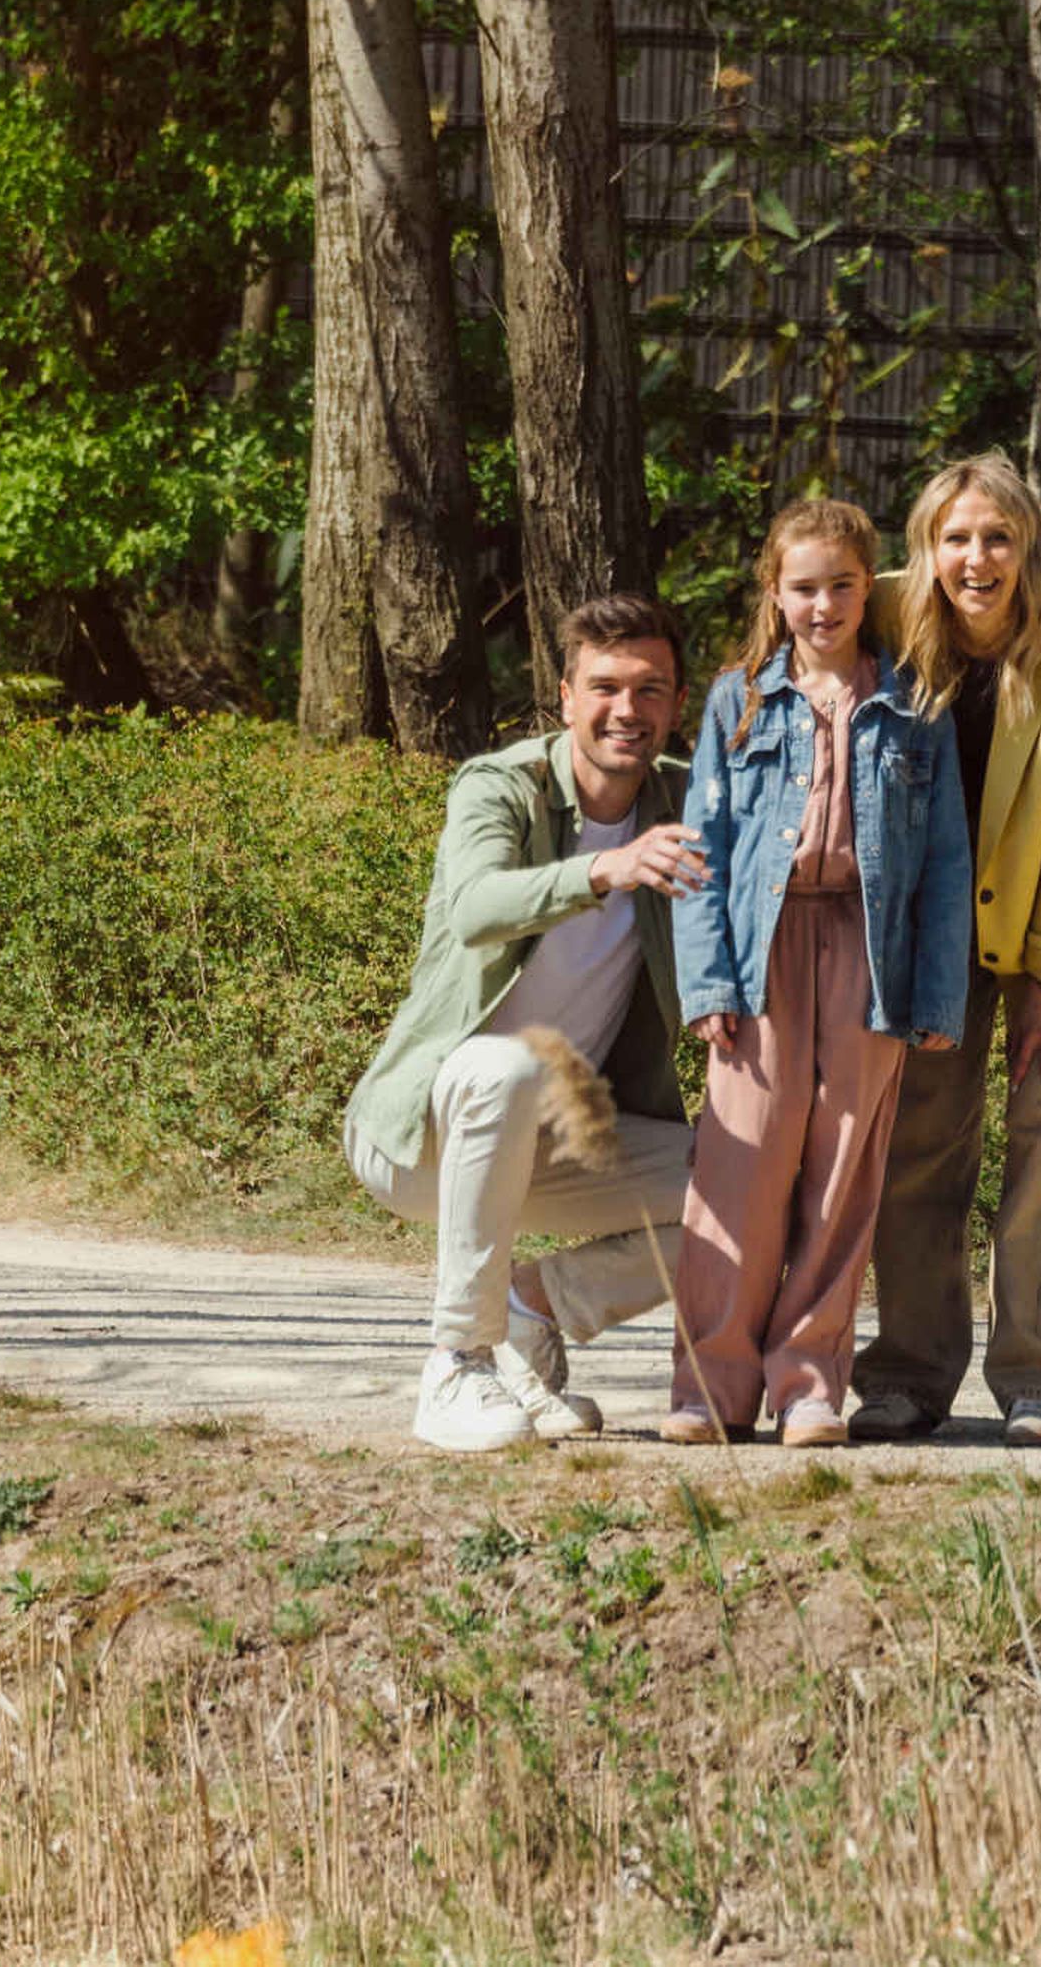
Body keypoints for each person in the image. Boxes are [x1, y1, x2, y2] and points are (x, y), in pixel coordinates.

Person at [342, 593, 711, 1453]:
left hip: (563, 1141)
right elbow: (475, 908)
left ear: (677, 704)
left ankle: (532, 1308)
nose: (627, 709)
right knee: (506, 1068)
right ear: (567, 696)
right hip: (424, 1137)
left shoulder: (686, 797)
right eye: (605, 687)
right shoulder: (502, 785)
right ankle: (457, 1361)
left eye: (651, 689)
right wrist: (606, 870)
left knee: (761, 1187)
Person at [851, 454, 1041, 1448]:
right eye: (957, 538)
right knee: (918, 1144)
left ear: (1029, 548)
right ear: (926, 547)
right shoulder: (883, 614)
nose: (976, 559)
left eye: (998, 538)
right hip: (934, 928)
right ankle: (907, 1375)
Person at [665, 499, 972, 1447]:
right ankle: (712, 1384)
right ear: (775, 591)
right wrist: (709, 982)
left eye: (842, 585)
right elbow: (702, 849)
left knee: (843, 1178)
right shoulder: (739, 700)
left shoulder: (915, 704)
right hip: (765, 948)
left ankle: (807, 1385)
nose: (824, 605)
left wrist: (936, 994)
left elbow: (946, 862)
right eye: (804, 587)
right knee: (742, 1167)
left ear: (868, 587)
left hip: (870, 954)